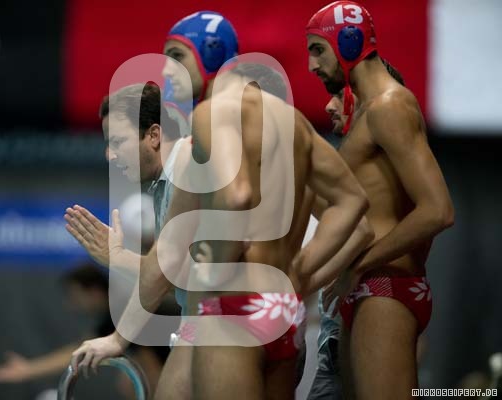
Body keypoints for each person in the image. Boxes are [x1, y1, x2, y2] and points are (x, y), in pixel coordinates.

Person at [66, 13, 375, 400]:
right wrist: (299, 273)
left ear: (209, 54)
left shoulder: (209, 116)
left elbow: (223, 206)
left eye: (176, 56)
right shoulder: (294, 122)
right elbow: (356, 209)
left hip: (230, 306)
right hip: (283, 309)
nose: (167, 70)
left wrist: (119, 336)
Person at [306, 2, 454, 398]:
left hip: (384, 287)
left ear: (349, 42)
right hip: (366, 288)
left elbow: (438, 211)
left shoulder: (391, 106)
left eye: (318, 49)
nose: (311, 65)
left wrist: (360, 266)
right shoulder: (368, 115)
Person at [307, 58, 406, 400]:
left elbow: (438, 211)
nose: (327, 106)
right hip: (356, 304)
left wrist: (294, 284)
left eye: (338, 95)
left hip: (378, 295)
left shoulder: (387, 156)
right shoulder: (363, 168)